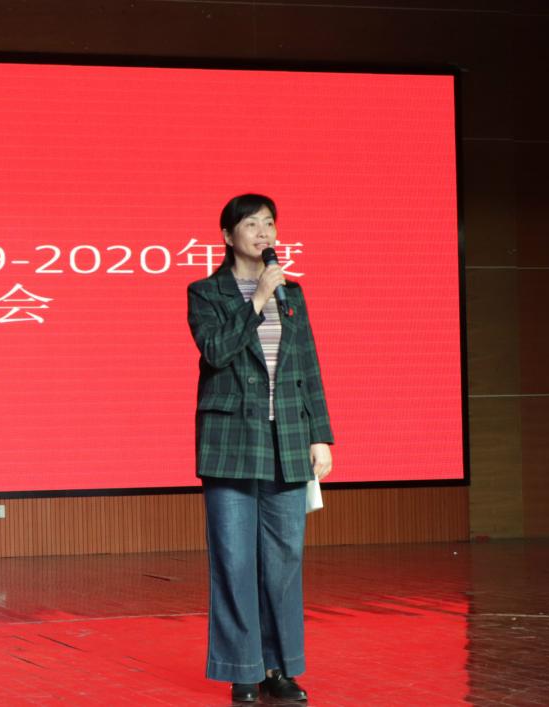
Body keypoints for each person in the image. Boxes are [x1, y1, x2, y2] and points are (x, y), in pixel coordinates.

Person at [187, 193, 334, 703]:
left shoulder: (293, 294)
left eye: (269, 223)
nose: (263, 232)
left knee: (284, 560)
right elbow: (216, 351)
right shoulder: (206, 292)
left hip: (286, 439)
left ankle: (279, 668)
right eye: (251, 224)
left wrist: (320, 434)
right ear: (228, 236)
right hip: (230, 441)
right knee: (234, 560)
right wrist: (256, 300)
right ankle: (243, 670)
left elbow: (307, 365)